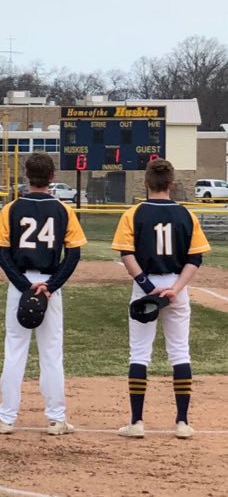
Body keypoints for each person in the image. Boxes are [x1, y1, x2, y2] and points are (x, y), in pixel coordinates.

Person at [0, 153, 86, 436]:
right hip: (49, 287)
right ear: (52, 177)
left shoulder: (12, 208)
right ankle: (56, 419)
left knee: (14, 351)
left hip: (21, 284)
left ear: (26, 176)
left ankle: (6, 418)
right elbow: (73, 254)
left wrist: (23, 286)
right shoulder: (63, 210)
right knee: (51, 353)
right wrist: (51, 286)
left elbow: (1, 254)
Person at [112, 159, 210, 439]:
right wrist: (176, 289)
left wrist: (147, 286)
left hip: (146, 286)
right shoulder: (186, 214)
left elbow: (127, 254)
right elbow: (195, 259)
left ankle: (136, 422)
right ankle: (182, 422)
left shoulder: (133, 213)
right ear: (171, 184)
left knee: (139, 353)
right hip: (176, 286)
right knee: (179, 352)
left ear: (146, 183)